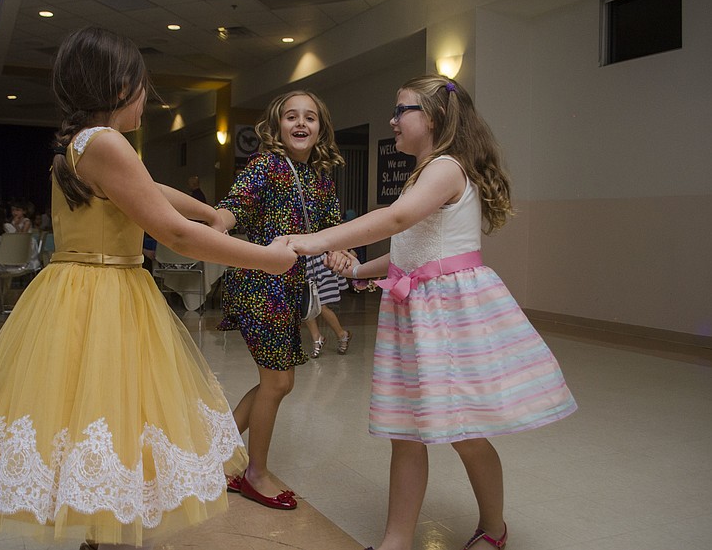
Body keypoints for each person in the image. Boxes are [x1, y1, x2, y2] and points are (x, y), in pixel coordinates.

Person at [0, 26, 296, 550]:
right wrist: (267, 261)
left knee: (94, 414)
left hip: (78, 290)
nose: (146, 100)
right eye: (142, 87)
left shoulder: (77, 145)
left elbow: (149, 190)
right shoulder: (108, 143)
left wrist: (211, 210)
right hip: (106, 292)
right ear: (118, 85)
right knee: (114, 409)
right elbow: (171, 232)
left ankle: (102, 533)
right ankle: (113, 535)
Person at [285, 75, 577, 550]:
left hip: (450, 314)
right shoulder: (422, 174)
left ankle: (494, 528)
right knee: (406, 431)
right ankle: (396, 539)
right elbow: (409, 250)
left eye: (402, 111)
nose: (393, 120)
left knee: (466, 431)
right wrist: (359, 269)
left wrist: (322, 238)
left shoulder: (446, 168)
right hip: (414, 311)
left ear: (435, 119)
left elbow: (397, 220)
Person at [215, 90, 344, 510]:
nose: (301, 123)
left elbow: (332, 232)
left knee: (280, 381)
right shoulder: (265, 166)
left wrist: (344, 253)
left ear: (320, 128)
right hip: (258, 286)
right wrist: (213, 227)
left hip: (290, 290)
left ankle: (217, 456)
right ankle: (254, 474)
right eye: (291, 117)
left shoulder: (320, 178)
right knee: (277, 381)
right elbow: (231, 208)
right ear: (276, 127)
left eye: (310, 117)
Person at [304, 254, 351, 357]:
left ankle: (341, 334)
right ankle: (317, 337)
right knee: (306, 304)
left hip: (316, 263)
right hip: (301, 263)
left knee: (321, 304)